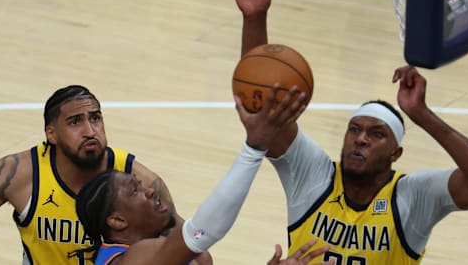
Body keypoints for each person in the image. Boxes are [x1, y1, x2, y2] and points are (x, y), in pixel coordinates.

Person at [221, 0, 468, 264]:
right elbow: (266, 110)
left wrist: (422, 115)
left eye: (376, 134)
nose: (360, 139)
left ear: (395, 154)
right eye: (355, 130)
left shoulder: (411, 197)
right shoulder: (314, 176)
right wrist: (255, 17)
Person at [0, 85, 209, 264]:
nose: (90, 130)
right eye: (75, 122)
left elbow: (194, 251)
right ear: (52, 133)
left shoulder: (139, 182)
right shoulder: (19, 173)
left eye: (96, 118)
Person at [73, 85, 332, 264]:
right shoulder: (129, 260)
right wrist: (253, 149)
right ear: (117, 221)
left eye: (140, 185)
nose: (150, 190)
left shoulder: (161, 250)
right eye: (135, 190)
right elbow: (202, 231)